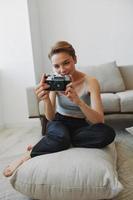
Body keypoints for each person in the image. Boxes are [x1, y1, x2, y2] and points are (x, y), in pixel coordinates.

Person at [3, 41, 115, 177]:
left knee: (108, 133)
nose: (62, 70)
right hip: (59, 121)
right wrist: (45, 99)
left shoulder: (91, 81)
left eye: (66, 63)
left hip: (80, 125)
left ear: (75, 59)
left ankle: (57, 140)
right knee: (61, 135)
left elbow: (99, 120)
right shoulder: (54, 80)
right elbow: (50, 117)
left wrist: (78, 101)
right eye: (56, 66)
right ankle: (26, 155)